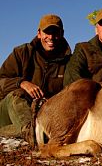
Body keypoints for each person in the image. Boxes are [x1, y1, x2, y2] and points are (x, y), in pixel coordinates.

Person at [0, 14, 71, 142]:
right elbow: (1, 80)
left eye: (55, 32)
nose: (51, 37)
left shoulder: (68, 62)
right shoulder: (22, 53)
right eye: (47, 32)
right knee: (18, 95)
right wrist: (22, 83)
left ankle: (30, 132)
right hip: (8, 110)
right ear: (39, 33)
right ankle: (33, 134)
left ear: (62, 34)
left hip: (42, 115)